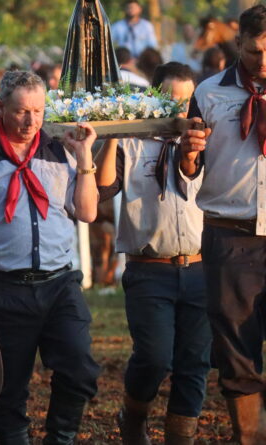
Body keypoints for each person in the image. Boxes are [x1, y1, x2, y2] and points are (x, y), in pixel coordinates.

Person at [0, 70, 101, 444]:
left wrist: (85, 156)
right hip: (1, 288)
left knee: (80, 369)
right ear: (0, 107)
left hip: (59, 284)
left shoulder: (58, 149)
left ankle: (60, 438)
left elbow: (87, 212)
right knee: (5, 391)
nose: (31, 121)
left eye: (39, 112)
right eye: (22, 111)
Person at [95, 62, 211, 444]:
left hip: (199, 267)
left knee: (194, 362)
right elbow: (103, 190)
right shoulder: (131, 142)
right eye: (170, 99)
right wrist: (116, 130)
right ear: (153, 98)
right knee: (155, 356)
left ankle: (181, 437)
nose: (179, 109)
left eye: (186, 101)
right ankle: (134, 415)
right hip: (149, 269)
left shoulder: (204, 141)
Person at [181, 5, 266, 443]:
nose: (264, 62)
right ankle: (251, 437)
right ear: (238, 43)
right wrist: (188, 152)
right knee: (237, 350)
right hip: (232, 237)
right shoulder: (210, 92)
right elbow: (189, 168)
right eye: (255, 52)